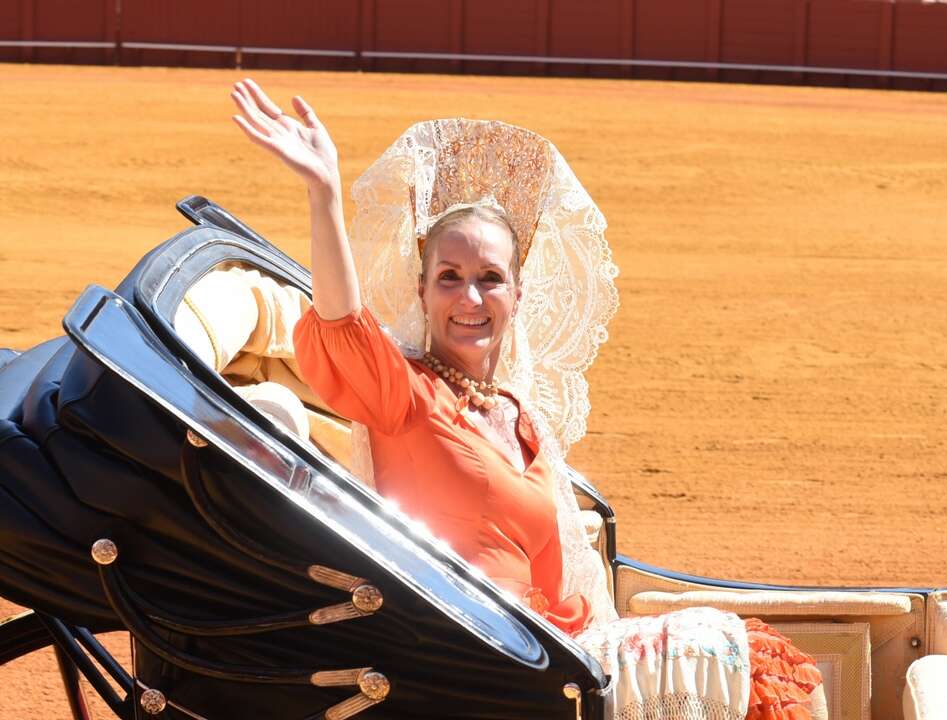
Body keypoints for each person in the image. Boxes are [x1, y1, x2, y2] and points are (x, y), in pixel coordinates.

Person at [230, 79, 823, 720]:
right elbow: (343, 324)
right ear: (423, 292)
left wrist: (599, 650)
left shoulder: (520, 415)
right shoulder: (403, 392)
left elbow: (555, 587)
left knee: (757, 661)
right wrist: (323, 192)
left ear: (518, 293)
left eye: (490, 279)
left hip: (543, 658)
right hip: (469, 660)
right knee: (751, 665)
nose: (470, 300)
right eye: (449, 279)